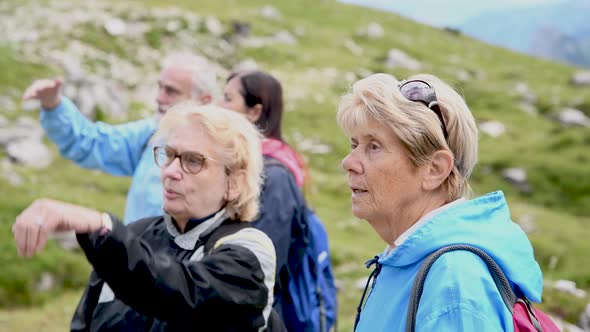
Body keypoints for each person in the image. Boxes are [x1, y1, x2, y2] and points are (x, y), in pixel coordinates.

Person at [12, 102, 283, 331]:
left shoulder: (249, 251)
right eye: (169, 155)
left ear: (233, 182)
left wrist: (101, 226)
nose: (170, 171)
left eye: (193, 161)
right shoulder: (135, 234)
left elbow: (179, 291)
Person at [337, 73, 543, 331]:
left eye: (374, 146)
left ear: (434, 170)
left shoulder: (454, 283)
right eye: (355, 144)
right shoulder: (406, 261)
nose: (349, 162)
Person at [22, 53, 217, 223]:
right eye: (160, 87)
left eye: (171, 91)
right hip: (134, 259)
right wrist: (53, 105)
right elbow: (92, 143)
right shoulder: (152, 134)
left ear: (204, 100)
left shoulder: (219, 156)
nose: (159, 97)